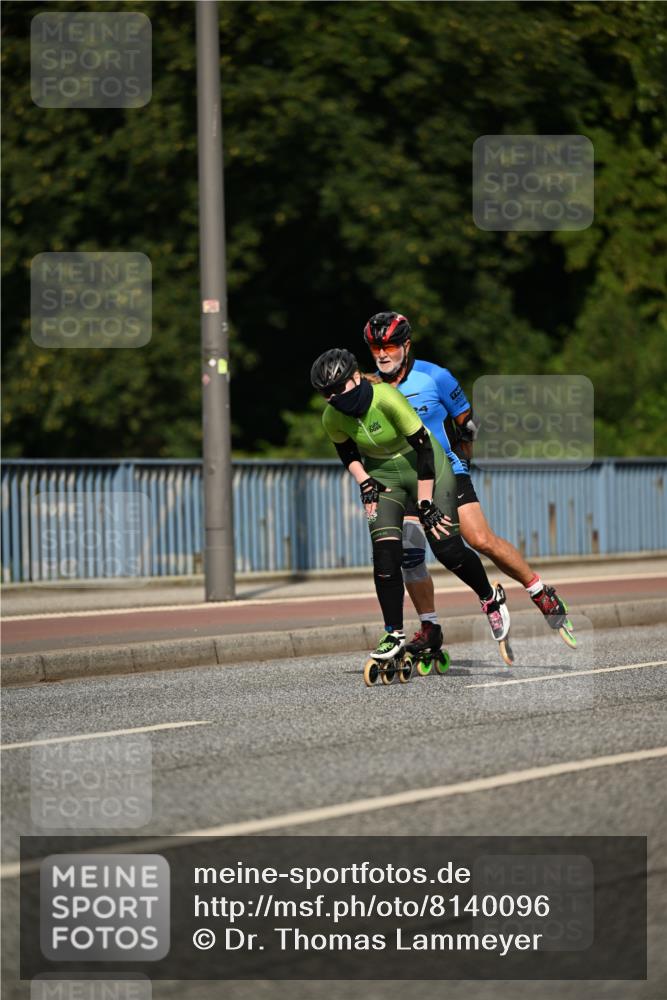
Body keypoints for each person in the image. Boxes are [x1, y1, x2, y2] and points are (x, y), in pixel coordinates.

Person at [362, 311, 572, 652]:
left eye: (389, 346)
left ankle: (538, 590)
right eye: (375, 347)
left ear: (406, 344)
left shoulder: (435, 377)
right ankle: (429, 627)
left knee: (479, 539)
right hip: (408, 478)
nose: (382, 354)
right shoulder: (371, 387)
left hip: (447, 470)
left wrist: (464, 463)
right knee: (410, 556)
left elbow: (468, 423)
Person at [310, 347, 511, 662]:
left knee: (447, 550)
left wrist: (426, 501)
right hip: (384, 477)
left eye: (339, 388)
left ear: (356, 377)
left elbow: (425, 451)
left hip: (427, 467)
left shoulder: (387, 399)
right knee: (387, 554)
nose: (335, 397)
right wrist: (364, 481)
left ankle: (490, 597)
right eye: (327, 394)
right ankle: (394, 633)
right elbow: (348, 455)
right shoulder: (331, 416)